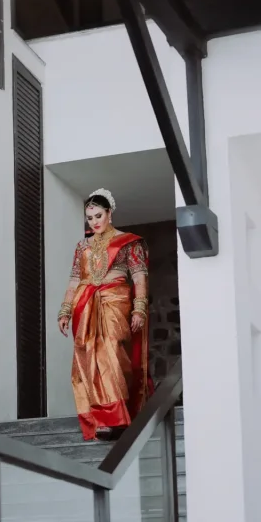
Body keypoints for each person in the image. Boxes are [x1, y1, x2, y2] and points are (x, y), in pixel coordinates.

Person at [58, 188, 153, 441]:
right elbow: (75, 279)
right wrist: (65, 309)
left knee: (111, 349)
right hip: (85, 303)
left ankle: (119, 413)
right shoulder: (83, 246)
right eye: (90, 218)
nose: (95, 222)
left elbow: (139, 276)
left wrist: (139, 307)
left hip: (115, 301)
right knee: (89, 354)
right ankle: (106, 418)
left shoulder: (128, 242)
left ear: (109, 213)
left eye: (98, 215)